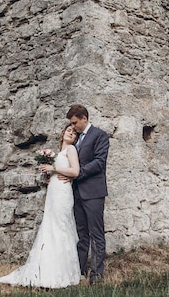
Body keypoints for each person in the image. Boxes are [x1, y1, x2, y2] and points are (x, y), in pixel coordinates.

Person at [0, 124, 81, 289]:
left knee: (61, 227)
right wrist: (48, 175)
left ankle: (62, 272)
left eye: (74, 133)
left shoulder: (71, 150)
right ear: (63, 133)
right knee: (49, 227)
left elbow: (75, 171)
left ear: (76, 138)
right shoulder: (57, 153)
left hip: (63, 193)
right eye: (68, 130)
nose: (71, 133)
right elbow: (57, 172)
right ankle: (45, 269)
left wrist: (54, 169)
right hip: (53, 191)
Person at [65, 104, 109, 284]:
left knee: (96, 234)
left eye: (75, 122)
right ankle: (80, 272)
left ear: (84, 118)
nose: (73, 127)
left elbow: (99, 162)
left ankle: (97, 275)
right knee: (81, 235)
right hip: (77, 193)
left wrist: (78, 172)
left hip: (93, 193)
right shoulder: (75, 139)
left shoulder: (100, 135)